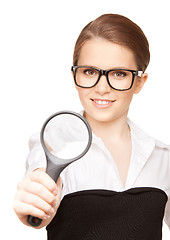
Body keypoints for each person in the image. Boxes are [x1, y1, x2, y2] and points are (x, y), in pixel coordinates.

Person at [13, 14, 170, 239]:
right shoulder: (53, 143)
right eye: (90, 72)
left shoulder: (164, 158)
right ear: (74, 74)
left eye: (118, 74)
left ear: (139, 82)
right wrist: (35, 198)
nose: (102, 88)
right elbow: (39, 181)